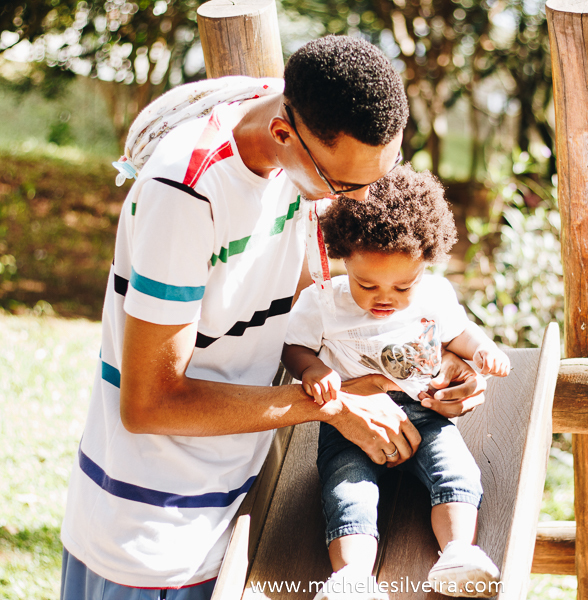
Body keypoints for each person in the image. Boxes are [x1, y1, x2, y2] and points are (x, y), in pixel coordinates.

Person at [60, 36, 486, 599]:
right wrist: (332, 406)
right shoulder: (185, 196)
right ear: (284, 137)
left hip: (251, 502)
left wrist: (443, 354)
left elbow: (317, 308)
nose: (362, 203)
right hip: (158, 533)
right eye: (347, 187)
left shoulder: (296, 124)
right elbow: (148, 403)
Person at [282, 165, 510, 600]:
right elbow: (294, 348)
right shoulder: (323, 301)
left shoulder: (436, 295)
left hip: (423, 411)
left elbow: (460, 336)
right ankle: (352, 578)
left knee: (457, 472)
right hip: (351, 420)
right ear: (345, 257)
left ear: (426, 262)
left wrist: (482, 350)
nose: (384, 297)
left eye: (403, 286)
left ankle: (458, 552)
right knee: (347, 489)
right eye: (366, 284)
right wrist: (313, 370)